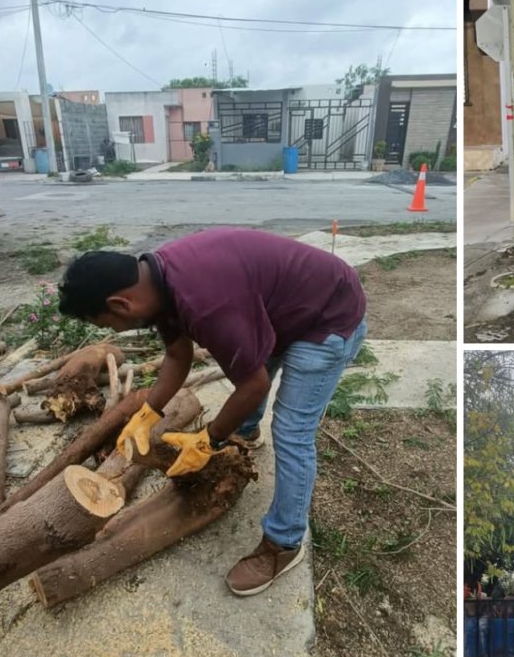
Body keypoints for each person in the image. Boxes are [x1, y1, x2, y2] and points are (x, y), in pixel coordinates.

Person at [57, 227, 367, 597]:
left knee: (292, 431)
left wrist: (209, 439)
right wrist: (149, 412)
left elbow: (254, 386)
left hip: (328, 317)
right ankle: (245, 434)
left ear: (121, 304)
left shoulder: (206, 302)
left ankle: (284, 544)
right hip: (285, 307)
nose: (115, 330)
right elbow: (177, 354)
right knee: (252, 359)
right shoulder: (154, 280)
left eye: (109, 324)